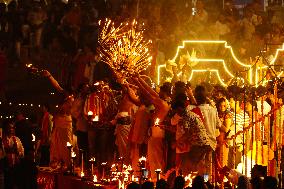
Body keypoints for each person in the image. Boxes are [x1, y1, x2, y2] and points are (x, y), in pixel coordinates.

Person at [171, 93, 211, 175]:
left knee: (189, 163)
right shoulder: (190, 114)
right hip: (204, 142)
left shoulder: (186, 116)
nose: (176, 113)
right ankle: (204, 181)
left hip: (199, 143)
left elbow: (187, 134)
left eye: (176, 111)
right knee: (201, 164)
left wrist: (177, 142)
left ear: (179, 109)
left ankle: (197, 181)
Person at [42, 70, 74, 168]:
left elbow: (64, 111)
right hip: (59, 123)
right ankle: (57, 162)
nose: (61, 91)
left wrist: (57, 111)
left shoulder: (71, 100)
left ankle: (68, 163)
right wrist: (49, 76)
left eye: (64, 91)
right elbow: (57, 87)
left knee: (66, 144)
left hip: (65, 123)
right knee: (56, 143)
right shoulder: (65, 97)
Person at [2, 120, 24, 189]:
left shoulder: (17, 140)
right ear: (5, 128)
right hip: (5, 168)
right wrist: (7, 151)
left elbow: (22, 153)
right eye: (9, 127)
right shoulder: (2, 140)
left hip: (15, 167)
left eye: (12, 128)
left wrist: (18, 152)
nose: (11, 129)